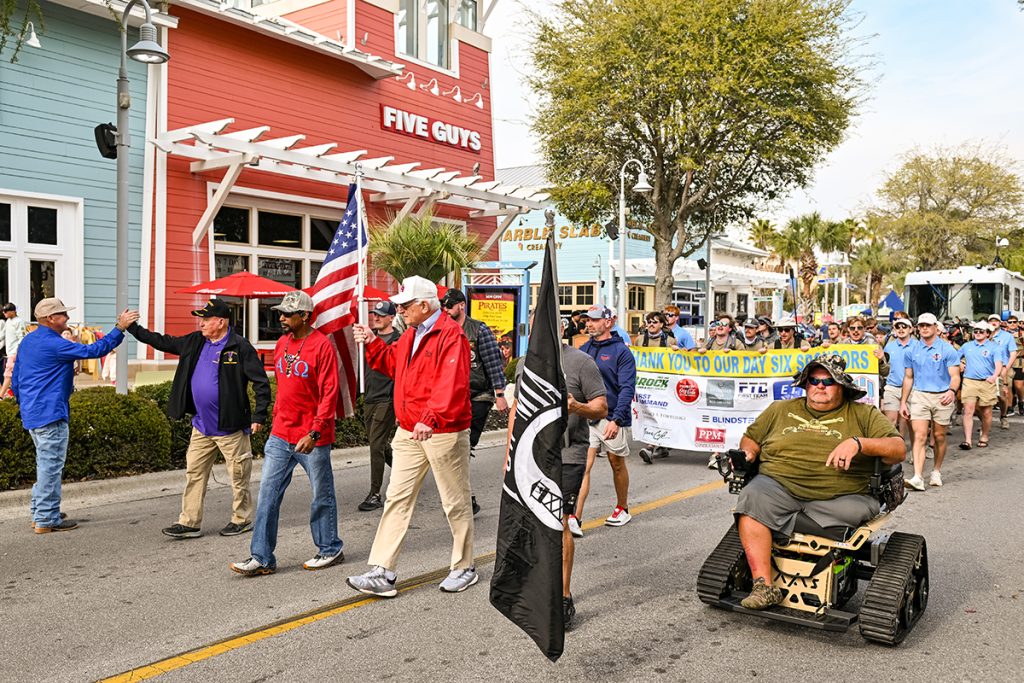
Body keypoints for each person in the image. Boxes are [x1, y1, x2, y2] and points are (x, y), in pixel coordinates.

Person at [733, 354, 904, 609]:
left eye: (828, 381)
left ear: (842, 387)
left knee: (854, 511)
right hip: (780, 489)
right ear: (806, 383)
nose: (820, 386)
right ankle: (764, 586)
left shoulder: (863, 414)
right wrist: (749, 452)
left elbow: (898, 448)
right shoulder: (779, 410)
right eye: (814, 380)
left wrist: (859, 443)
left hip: (839, 498)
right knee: (750, 497)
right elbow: (751, 438)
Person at [347, 275, 477, 597]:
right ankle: (382, 570)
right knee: (396, 499)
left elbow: (452, 383)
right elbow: (392, 364)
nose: (399, 308)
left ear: (424, 304)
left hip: (441, 430)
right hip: (411, 428)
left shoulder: (451, 335)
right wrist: (373, 342)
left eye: (405, 304)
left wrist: (429, 418)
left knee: (455, 502)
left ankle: (464, 567)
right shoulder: (412, 334)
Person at [128, 299, 271, 539]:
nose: (201, 323)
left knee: (238, 476)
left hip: (231, 427)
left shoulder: (239, 346)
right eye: (201, 319)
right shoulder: (195, 341)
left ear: (221, 322)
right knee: (194, 474)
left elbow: (260, 382)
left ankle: (242, 519)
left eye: (206, 319)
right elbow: (162, 341)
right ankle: (190, 522)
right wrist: (132, 328)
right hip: (202, 426)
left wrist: (259, 415)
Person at [231, 291, 343, 575]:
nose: (280, 318)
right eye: (280, 313)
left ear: (305, 316)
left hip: (312, 438)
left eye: (287, 314)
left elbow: (330, 394)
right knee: (268, 493)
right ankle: (262, 557)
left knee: (321, 494)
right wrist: (275, 420)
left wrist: (315, 432)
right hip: (281, 435)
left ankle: (330, 548)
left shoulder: (322, 346)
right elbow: (284, 387)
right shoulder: (282, 343)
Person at [510, 319, 608, 629]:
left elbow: (601, 407)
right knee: (532, 523)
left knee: (560, 522)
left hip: (568, 456)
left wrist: (577, 407)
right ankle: (535, 588)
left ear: (561, 331)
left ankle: (563, 596)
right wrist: (509, 453)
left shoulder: (582, 362)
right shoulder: (525, 363)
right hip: (530, 455)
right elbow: (516, 407)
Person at [12, 298, 138, 533]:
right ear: (50, 319)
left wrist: (24, 404)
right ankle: (46, 520)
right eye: (62, 314)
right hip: (51, 413)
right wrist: (120, 328)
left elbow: (17, 376)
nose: (67, 318)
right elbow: (95, 350)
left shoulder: (29, 341)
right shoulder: (55, 344)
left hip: (33, 412)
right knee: (50, 466)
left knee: (44, 464)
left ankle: (42, 512)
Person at [440, 288, 508, 516]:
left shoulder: (479, 330)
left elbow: (492, 363)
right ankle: (463, 496)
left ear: (461, 305)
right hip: (453, 397)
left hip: (478, 396)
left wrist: (499, 394)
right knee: (454, 447)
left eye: (450, 306)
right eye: (444, 306)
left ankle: (465, 498)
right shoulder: (443, 330)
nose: (446, 310)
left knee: (465, 445)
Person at [578, 305, 637, 527]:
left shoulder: (622, 352)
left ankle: (623, 507)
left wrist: (617, 419)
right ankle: (575, 517)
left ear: (608, 322)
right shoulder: (583, 349)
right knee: (584, 464)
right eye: (587, 320)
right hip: (588, 415)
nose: (589, 324)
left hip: (611, 416)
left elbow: (626, 388)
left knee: (616, 463)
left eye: (594, 320)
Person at [900, 313, 962, 490]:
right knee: (919, 435)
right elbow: (908, 377)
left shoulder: (947, 349)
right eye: (921, 326)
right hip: (920, 395)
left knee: (939, 436)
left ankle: (936, 470)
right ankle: (918, 476)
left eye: (928, 325)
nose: (924, 328)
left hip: (942, 395)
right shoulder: (911, 350)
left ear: (936, 327)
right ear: (917, 328)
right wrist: (904, 401)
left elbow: (955, 376)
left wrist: (952, 391)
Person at [359, 300, 401, 512]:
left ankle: (375, 493)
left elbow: (400, 375)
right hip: (370, 398)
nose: (376, 317)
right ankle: (406, 472)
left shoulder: (398, 340)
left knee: (375, 445)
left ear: (391, 317)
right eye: (374, 314)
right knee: (381, 445)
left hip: (388, 399)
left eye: (381, 314)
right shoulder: (366, 340)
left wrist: (398, 407)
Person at [635, 311, 676, 464]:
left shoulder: (670, 341)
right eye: (649, 322)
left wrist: (678, 352)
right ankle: (654, 446)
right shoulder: (639, 340)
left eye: (655, 322)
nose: (651, 325)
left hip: (664, 385)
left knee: (662, 414)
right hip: (646, 385)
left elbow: (679, 361)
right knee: (650, 414)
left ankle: (655, 446)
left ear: (661, 324)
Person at [957, 321, 1002, 450]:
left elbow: (998, 363)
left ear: (987, 334)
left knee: (986, 412)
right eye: (975, 331)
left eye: (981, 331)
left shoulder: (994, 347)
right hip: (969, 381)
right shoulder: (967, 346)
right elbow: (954, 357)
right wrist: (960, 363)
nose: (977, 333)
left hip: (986, 382)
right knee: (968, 410)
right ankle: (967, 440)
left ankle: (985, 436)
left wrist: (994, 376)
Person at [881, 317, 918, 433]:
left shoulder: (918, 346)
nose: (901, 329)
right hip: (892, 387)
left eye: (904, 326)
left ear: (911, 329)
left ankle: (913, 447)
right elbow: (885, 368)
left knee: (911, 422)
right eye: (898, 326)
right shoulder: (889, 346)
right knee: (890, 421)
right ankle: (893, 448)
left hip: (913, 389)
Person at [986, 313, 1017, 429]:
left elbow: (1013, 353)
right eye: (991, 321)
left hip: (1004, 367)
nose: (993, 323)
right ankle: (985, 421)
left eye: (996, 321)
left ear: (1000, 323)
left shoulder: (1007, 336)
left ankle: (1003, 415)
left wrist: (1007, 367)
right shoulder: (983, 334)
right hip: (988, 368)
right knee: (986, 396)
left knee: (1002, 396)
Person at [1, 302, 28, 399]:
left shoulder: (19, 321)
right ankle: (14, 393)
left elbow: (22, 337)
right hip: (9, 352)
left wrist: (17, 352)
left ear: (13, 311)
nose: (4, 313)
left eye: (6, 311)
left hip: (14, 352)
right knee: (14, 374)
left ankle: (1, 395)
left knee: (8, 374)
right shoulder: (8, 321)